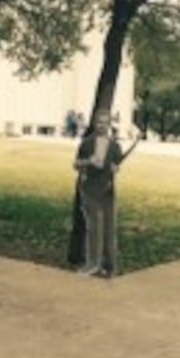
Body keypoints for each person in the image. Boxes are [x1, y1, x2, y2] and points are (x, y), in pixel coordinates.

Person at [74, 110, 124, 277]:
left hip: (108, 191)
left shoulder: (115, 146)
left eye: (105, 122)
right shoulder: (87, 143)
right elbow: (76, 164)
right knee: (93, 228)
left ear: (109, 124)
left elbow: (116, 166)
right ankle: (92, 264)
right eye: (99, 122)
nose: (102, 125)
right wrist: (88, 161)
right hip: (89, 189)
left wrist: (115, 168)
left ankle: (109, 266)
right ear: (95, 123)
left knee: (109, 229)